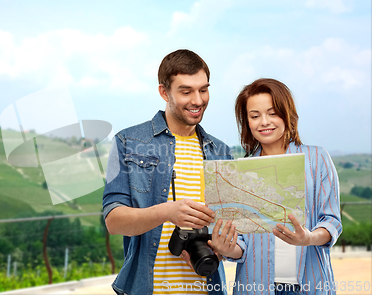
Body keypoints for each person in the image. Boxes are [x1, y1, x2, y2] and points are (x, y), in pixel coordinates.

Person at [102, 49, 233, 295]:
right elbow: (113, 221)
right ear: (164, 92)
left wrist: (223, 248)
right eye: (186, 91)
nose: (197, 100)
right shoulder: (127, 142)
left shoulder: (222, 153)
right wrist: (168, 212)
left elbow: (232, 232)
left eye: (203, 90)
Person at [209, 78, 342, 295]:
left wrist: (308, 238)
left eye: (272, 113)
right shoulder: (240, 171)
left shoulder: (317, 158)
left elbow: (332, 222)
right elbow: (241, 244)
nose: (264, 122)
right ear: (247, 122)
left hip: (311, 286)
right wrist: (226, 248)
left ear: (287, 114)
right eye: (255, 116)